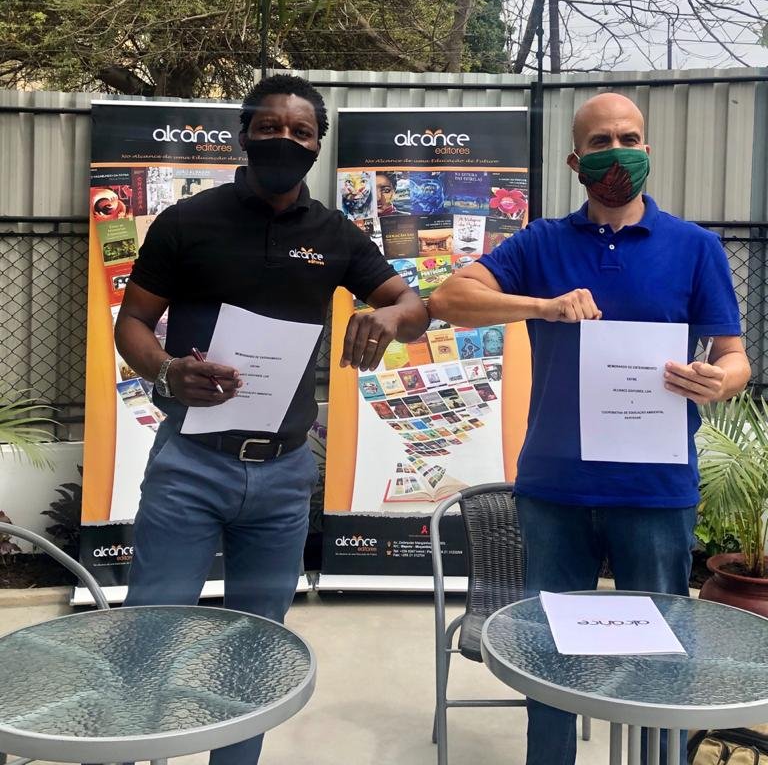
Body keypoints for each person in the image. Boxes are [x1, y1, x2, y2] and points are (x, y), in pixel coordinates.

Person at [428, 92, 750, 765]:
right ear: (576, 161)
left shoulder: (695, 248)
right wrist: (543, 306)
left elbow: (734, 357)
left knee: (662, 659)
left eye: (628, 138)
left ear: (647, 150)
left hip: (656, 490)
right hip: (556, 490)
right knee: (551, 657)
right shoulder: (541, 243)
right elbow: (451, 298)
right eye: (600, 142)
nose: (616, 152)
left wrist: (720, 380)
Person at [115, 74, 429, 765]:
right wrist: (166, 370)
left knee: (257, 650)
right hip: (190, 465)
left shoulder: (335, 234)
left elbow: (413, 306)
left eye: (301, 131)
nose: (285, 139)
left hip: (284, 475)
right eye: (270, 127)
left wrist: (388, 316)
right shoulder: (187, 223)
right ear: (245, 134)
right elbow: (131, 322)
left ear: (317, 145)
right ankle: (127, 751)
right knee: (148, 634)